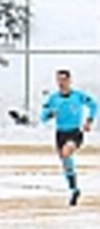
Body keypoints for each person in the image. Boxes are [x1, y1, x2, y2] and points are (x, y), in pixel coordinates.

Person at [41, 69, 96, 206]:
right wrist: (50, 114)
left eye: (64, 80)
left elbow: (94, 105)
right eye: (59, 80)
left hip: (74, 132)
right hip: (60, 133)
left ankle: (74, 188)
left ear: (70, 81)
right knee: (66, 163)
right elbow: (43, 117)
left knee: (67, 151)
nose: (61, 83)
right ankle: (74, 189)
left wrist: (89, 120)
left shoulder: (78, 96)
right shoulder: (54, 99)